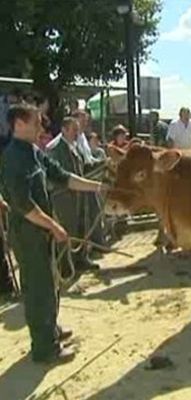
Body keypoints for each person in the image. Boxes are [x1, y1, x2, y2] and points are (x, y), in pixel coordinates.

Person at [0, 103, 106, 363]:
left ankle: (51, 330)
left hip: (41, 232)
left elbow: (62, 176)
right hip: (28, 234)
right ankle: (45, 349)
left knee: (51, 283)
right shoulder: (13, 158)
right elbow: (24, 206)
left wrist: (98, 187)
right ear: (20, 124)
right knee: (39, 290)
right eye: (36, 122)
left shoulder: (33, 152)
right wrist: (54, 226)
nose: (42, 127)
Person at [47, 117, 100, 272]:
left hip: (79, 195)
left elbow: (84, 168)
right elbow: (56, 176)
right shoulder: (55, 149)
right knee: (67, 230)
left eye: (78, 130)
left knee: (82, 226)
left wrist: (104, 163)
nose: (77, 133)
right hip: (64, 197)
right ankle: (65, 266)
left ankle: (81, 259)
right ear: (64, 130)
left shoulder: (74, 147)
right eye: (74, 130)